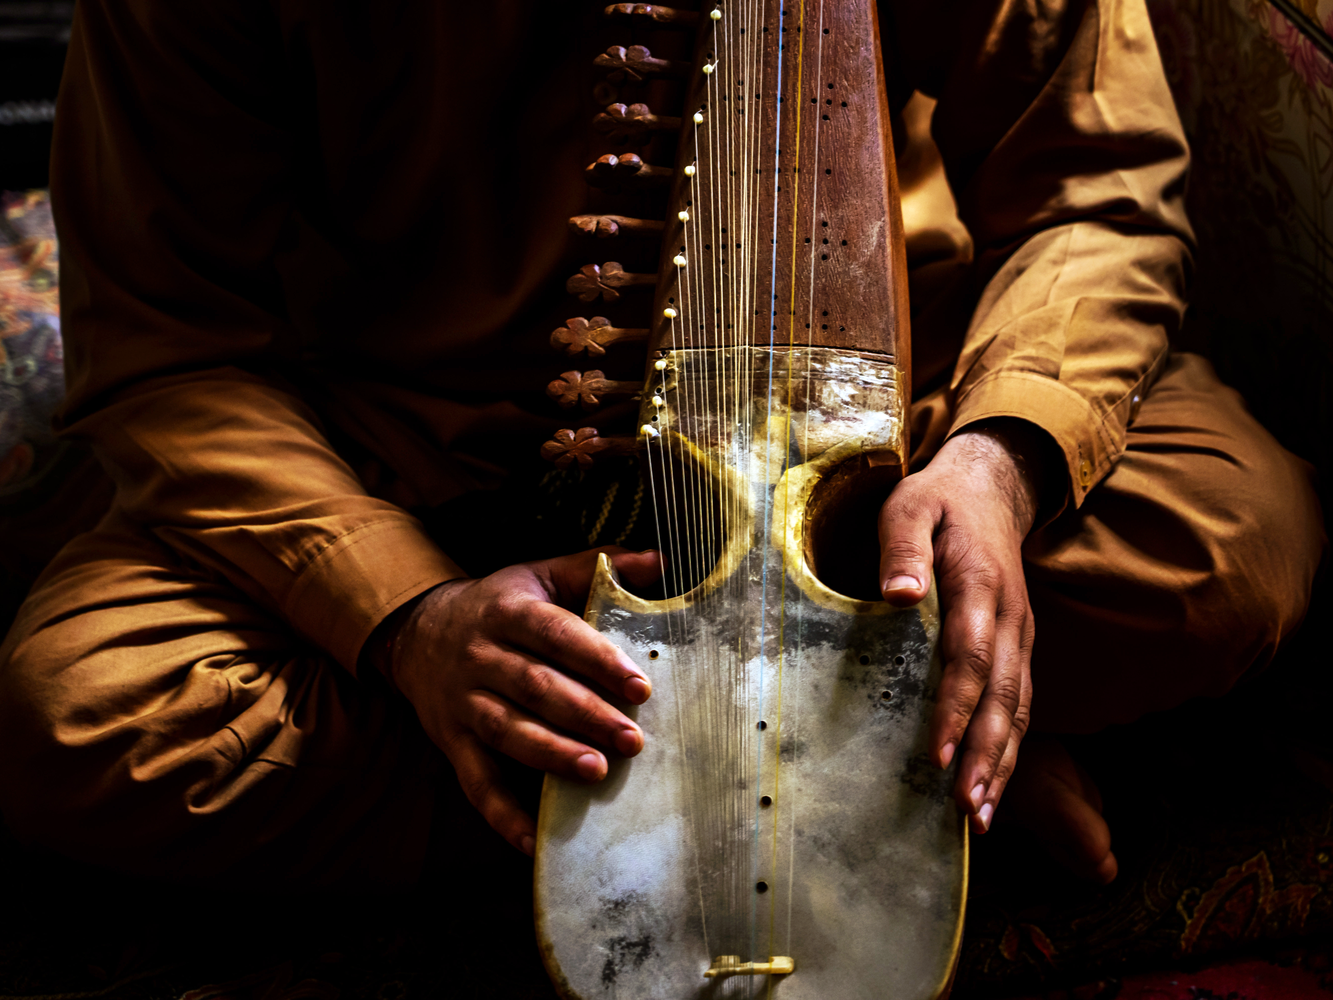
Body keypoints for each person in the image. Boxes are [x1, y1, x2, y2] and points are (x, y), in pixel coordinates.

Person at [0, 0, 1323, 890]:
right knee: (80, 716)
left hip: (866, 476)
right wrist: (408, 622)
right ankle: (881, 758)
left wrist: (995, 466)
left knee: (1228, 544)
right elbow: (170, 350)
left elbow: (1094, 197)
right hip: (408, 464)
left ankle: (658, 757)